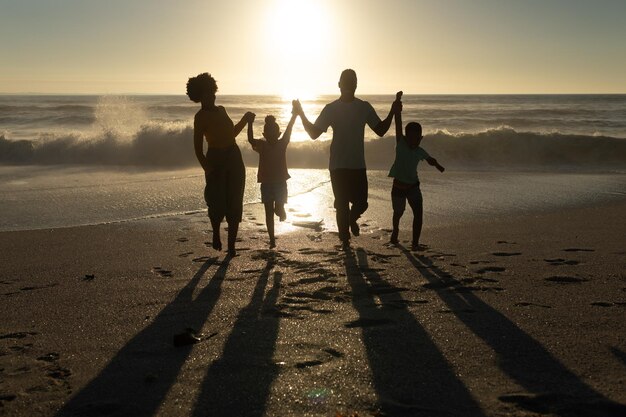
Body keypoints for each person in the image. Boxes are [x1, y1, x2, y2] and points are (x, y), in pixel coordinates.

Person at [293, 69, 400, 248]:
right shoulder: (331, 108)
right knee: (341, 204)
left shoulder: (364, 107)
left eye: (352, 81)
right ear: (339, 85)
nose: (349, 84)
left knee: (362, 203)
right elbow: (313, 134)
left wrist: (393, 111)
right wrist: (301, 113)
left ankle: (352, 219)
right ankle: (344, 241)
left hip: (358, 164)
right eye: (346, 81)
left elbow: (380, 130)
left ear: (356, 85)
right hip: (338, 165)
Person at [186, 72, 253, 256]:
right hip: (215, 159)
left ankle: (231, 247)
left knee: (234, 201)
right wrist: (208, 168)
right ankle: (216, 233)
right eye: (207, 93)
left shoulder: (222, 109)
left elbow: (231, 134)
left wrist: (245, 120)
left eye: (212, 92)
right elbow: (198, 149)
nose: (212, 96)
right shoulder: (200, 117)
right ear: (199, 96)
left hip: (234, 156)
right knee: (217, 202)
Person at [388, 91, 445, 250]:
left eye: (417, 138)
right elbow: (398, 123)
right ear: (406, 137)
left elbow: (429, 159)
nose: (414, 141)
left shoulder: (420, 150)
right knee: (398, 213)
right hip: (398, 187)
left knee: (418, 214)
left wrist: (438, 165)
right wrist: (397, 105)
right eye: (411, 138)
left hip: (413, 186)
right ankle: (395, 231)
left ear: (420, 138)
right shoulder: (401, 143)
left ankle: (415, 243)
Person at [247, 105, 298, 249]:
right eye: (268, 133)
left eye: (274, 132)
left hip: (281, 183)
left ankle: (281, 210)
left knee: (278, 208)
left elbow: (289, 128)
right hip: (267, 184)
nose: (271, 135)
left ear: (278, 133)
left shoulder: (282, 143)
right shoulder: (262, 145)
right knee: (269, 212)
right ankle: (272, 240)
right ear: (264, 134)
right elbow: (251, 139)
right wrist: (249, 123)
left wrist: (294, 115)